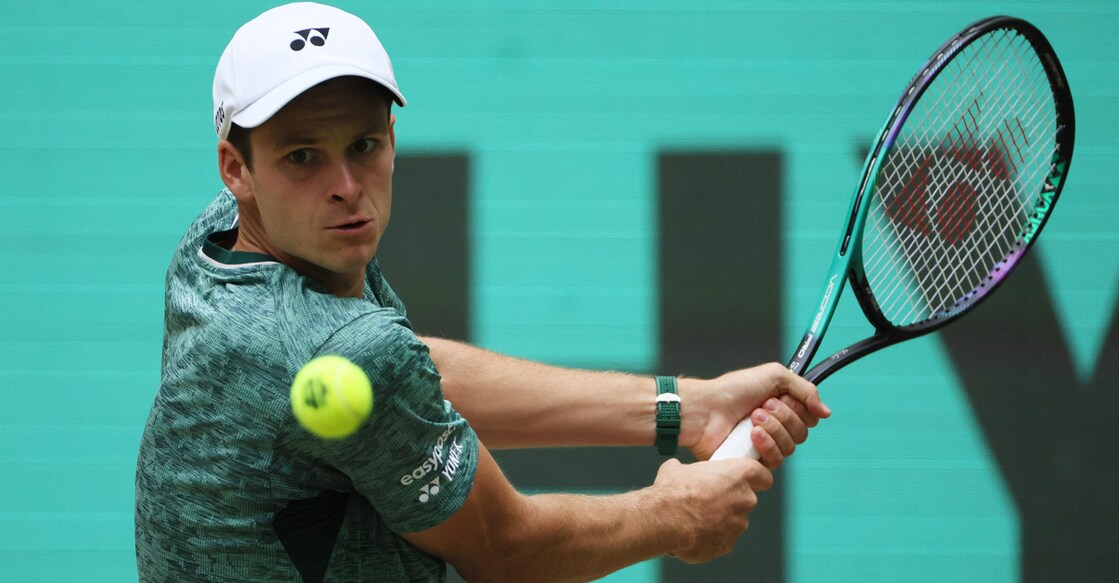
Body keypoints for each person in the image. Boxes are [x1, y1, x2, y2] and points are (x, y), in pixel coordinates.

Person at [134, 3, 831, 582]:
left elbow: (405, 370)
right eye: (302, 156)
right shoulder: (335, 344)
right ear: (237, 166)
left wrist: (685, 408)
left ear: (392, 136)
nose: (346, 185)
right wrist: (675, 514)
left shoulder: (218, 244)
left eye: (365, 145)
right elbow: (505, 545)